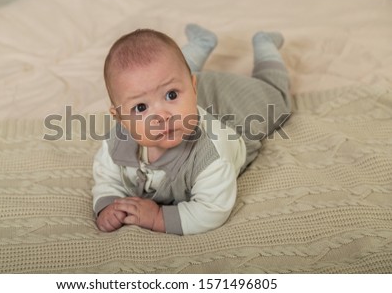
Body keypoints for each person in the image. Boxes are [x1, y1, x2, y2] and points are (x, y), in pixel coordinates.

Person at [92, 24, 291, 235]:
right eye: (141, 107)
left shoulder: (211, 156)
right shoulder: (117, 143)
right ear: (121, 118)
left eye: (171, 95)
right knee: (166, 75)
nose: (162, 117)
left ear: (193, 88)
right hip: (187, 103)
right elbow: (107, 178)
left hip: (233, 116)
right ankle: (201, 44)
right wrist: (108, 205)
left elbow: (212, 210)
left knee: (276, 99)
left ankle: (265, 45)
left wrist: (158, 217)